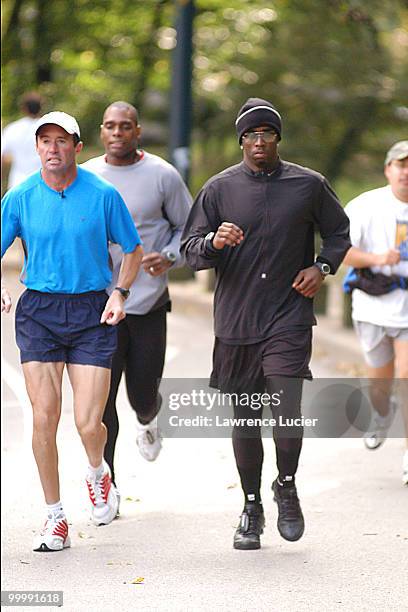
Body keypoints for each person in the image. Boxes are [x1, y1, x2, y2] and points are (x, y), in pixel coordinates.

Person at [181, 97, 350, 550]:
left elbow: (339, 232)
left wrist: (322, 267)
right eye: (251, 135)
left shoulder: (308, 185)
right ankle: (252, 505)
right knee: (247, 415)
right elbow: (191, 251)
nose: (259, 142)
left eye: (267, 134)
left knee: (287, 404)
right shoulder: (219, 189)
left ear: (278, 138)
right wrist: (215, 241)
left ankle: (287, 485)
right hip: (237, 319)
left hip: (289, 314)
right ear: (241, 141)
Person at [1, 111, 143, 552]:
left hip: (90, 313)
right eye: (45, 141)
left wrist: (119, 294)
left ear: (78, 148)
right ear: (37, 148)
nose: (52, 148)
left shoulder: (102, 194)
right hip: (39, 311)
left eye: (62, 141)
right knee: (43, 416)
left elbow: (133, 250)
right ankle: (54, 517)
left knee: (87, 424)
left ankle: (99, 472)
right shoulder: (20, 197)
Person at [82, 101, 192, 491]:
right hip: (98, 306)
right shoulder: (87, 176)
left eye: (125, 126)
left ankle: (148, 418)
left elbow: (188, 227)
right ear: (101, 131)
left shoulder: (163, 175)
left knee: (142, 394)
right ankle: (106, 486)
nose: (117, 133)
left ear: (137, 131)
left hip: (147, 304)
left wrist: (171, 256)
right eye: (110, 126)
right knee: (100, 403)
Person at [343, 141, 408, 485]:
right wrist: (378, 259)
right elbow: (342, 252)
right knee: (379, 387)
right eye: (401, 164)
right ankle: (383, 414)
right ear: (388, 170)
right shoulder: (366, 206)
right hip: (373, 305)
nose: (407, 171)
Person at [1, 92, 43, 189]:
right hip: (43, 183)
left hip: (17, 184)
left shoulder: (12, 129)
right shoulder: (48, 129)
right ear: (41, 107)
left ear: (24, 108)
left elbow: (2, 156)